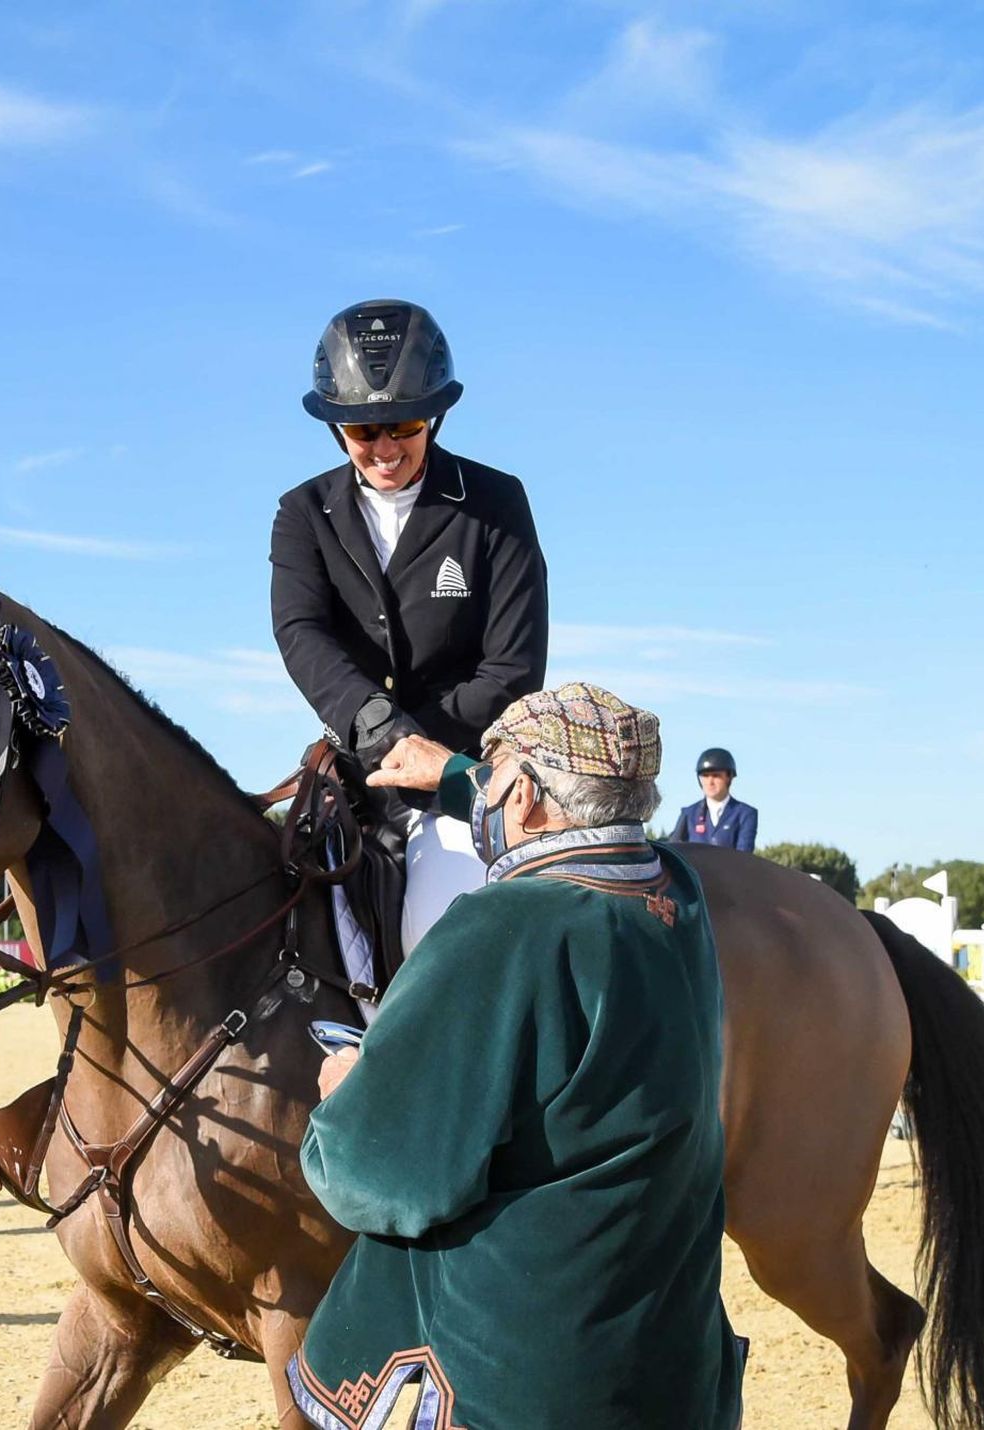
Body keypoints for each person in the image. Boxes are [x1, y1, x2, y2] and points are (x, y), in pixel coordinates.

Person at [286, 683, 744, 1430]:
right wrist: (461, 772)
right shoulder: (676, 893)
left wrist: (348, 1095)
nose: (487, 798)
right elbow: (585, 812)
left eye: (495, 781)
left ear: (526, 797)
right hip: (671, 1370)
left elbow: (386, 1177)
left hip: (529, 1383)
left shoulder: (502, 925)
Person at [270, 298, 549, 967]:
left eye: (402, 423)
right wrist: (375, 728)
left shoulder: (495, 504)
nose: (385, 448)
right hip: (355, 766)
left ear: (435, 415)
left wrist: (426, 751)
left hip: (464, 770)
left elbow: (513, 666)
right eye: (363, 432)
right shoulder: (303, 513)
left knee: (443, 943)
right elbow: (301, 630)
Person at [670, 746, 757, 852]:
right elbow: (674, 849)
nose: (710, 782)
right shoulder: (688, 813)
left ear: (728, 777)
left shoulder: (745, 814)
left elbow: (744, 856)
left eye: (716, 776)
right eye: (705, 776)